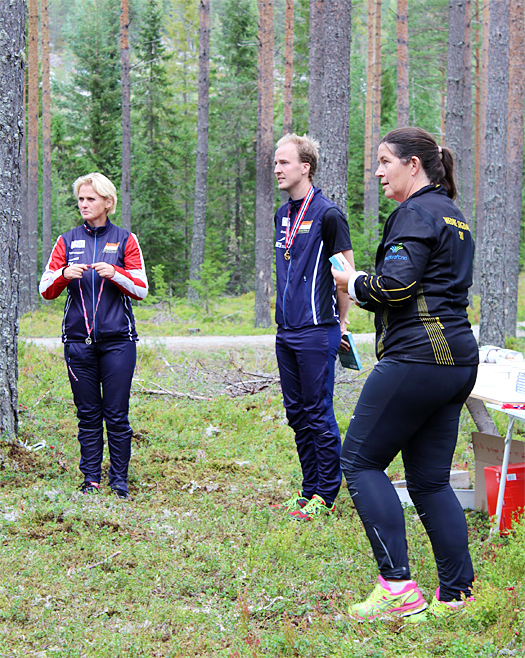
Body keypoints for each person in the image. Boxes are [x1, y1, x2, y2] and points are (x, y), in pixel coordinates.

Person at [332, 127, 478, 621]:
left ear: (413, 165)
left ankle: (398, 589)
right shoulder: (453, 215)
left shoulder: (415, 212)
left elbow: (394, 286)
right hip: (457, 358)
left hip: (420, 356)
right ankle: (457, 594)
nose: (377, 171)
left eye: (384, 161)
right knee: (430, 481)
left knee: (358, 461)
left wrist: (351, 280)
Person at [39, 173, 148, 499]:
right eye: (81, 199)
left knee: (116, 414)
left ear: (107, 202)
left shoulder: (125, 239)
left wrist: (115, 273)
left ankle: (119, 482)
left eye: (90, 199)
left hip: (118, 343)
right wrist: (62, 274)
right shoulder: (67, 240)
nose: (84, 204)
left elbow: (141, 288)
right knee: (87, 414)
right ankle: (91, 480)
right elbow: (45, 289)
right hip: (77, 343)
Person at [272, 133, 354, 521]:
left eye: (284, 162)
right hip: (285, 331)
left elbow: (346, 274)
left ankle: (327, 493)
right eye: (275, 162)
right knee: (295, 412)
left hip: (317, 328)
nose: (277, 168)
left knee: (318, 412)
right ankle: (308, 491)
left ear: (305, 166)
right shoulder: (282, 214)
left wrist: (342, 324)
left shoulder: (328, 214)